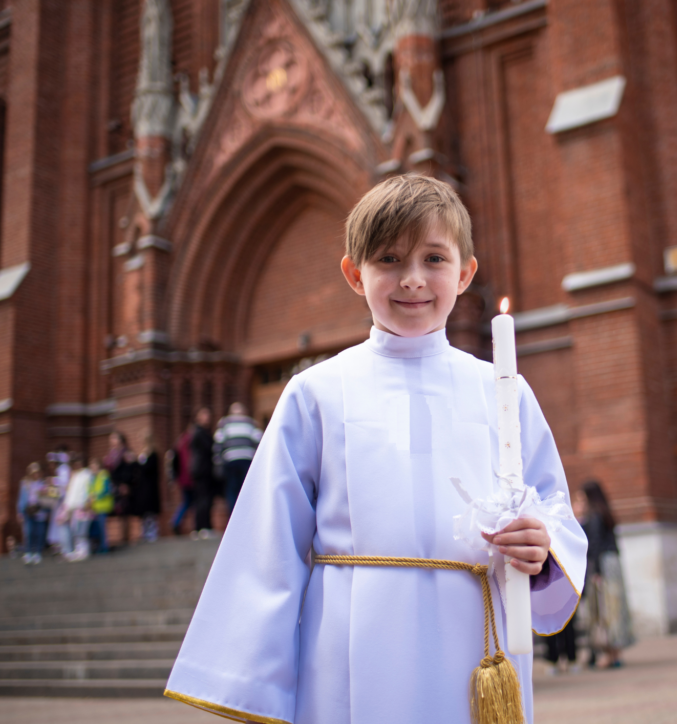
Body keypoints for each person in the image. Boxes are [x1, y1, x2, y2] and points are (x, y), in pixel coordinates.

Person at [165, 175, 587, 724]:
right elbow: (268, 542)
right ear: (353, 273)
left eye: (434, 258)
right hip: (351, 647)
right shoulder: (315, 393)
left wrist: (541, 547)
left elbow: (550, 504)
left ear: (465, 274)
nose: (413, 279)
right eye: (389, 258)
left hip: (477, 640)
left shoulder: (503, 391)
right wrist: (256, 684)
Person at [574, 480, 635, 669]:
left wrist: (596, 572)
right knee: (613, 608)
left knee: (604, 609)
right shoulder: (604, 513)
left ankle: (610, 653)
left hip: (602, 567)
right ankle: (615, 653)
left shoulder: (595, 517)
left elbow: (595, 545)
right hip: (612, 564)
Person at [213, 402, 262, 518]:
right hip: (246, 460)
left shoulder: (225, 423)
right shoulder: (250, 423)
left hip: (231, 460)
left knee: (231, 489)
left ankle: (233, 517)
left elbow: (218, 443)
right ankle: (245, 516)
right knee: (245, 489)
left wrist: (218, 462)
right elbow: (260, 441)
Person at [188, 408, 215, 538]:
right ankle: (203, 527)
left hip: (201, 470)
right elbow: (210, 449)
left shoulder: (201, 432)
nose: (207, 418)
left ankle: (201, 526)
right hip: (202, 470)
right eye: (204, 415)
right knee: (203, 499)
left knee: (203, 499)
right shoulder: (199, 433)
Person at [62, 454, 94, 561]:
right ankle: (78, 550)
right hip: (72, 507)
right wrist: (67, 506)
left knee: (82, 530)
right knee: (74, 530)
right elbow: (70, 492)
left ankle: (84, 550)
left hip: (82, 505)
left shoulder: (87, 474)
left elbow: (88, 490)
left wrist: (87, 503)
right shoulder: (74, 475)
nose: (77, 464)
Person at [104, 431, 133, 546]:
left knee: (124, 512)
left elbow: (129, 469)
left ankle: (126, 537)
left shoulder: (126, 453)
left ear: (121, 440)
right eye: (111, 439)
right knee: (116, 510)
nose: (112, 441)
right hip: (113, 486)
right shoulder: (111, 454)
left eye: (114, 438)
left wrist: (126, 484)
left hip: (123, 485)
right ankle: (119, 536)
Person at [17, 463, 49, 565]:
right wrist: (20, 512)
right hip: (28, 511)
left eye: (37, 472)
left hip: (40, 511)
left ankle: (37, 552)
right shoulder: (25, 483)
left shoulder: (44, 484)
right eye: (34, 472)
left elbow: (48, 499)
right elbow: (21, 499)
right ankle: (28, 552)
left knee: (39, 533)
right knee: (29, 532)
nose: (36, 474)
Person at [134, 433, 162, 542]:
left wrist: (139, 464)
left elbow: (147, 469)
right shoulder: (143, 453)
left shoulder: (153, 455)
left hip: (150, 488)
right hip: (143, 488)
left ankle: (152, 533)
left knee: (150, 513)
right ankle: (145, 532)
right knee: (145, 513)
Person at [169, 425, 194, 535]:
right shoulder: (189, 442)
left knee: (186, 502)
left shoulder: (179, 443)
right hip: (189, 478)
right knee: (190, 502)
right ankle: (177, 521)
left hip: (182, 479)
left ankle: (176, 520)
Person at [88, 457, 114, 554]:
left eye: (94, 466)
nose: (92, 468)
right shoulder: (92, 477)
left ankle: (104, 547)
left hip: (103, 505)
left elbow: (106, 490)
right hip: (95, 506)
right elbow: (90, 490)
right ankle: (98, 546)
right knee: (97, 528)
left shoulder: (103, 475)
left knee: (102, 528)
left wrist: (95, 496)